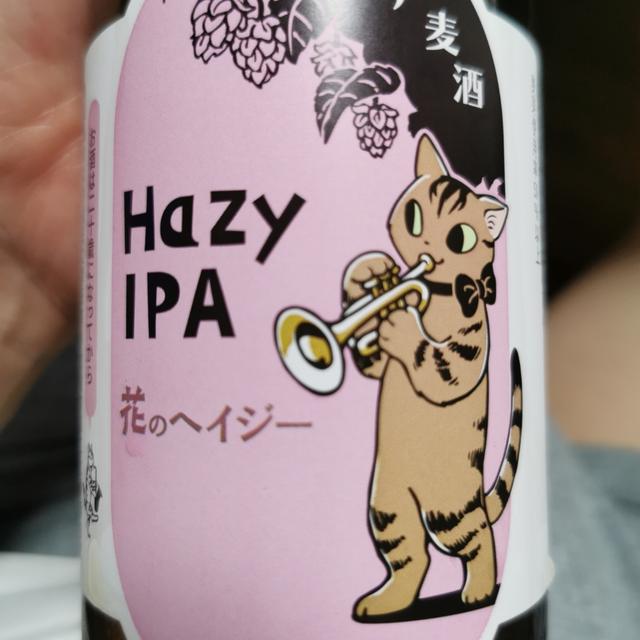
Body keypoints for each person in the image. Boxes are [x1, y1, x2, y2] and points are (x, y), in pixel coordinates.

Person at [0, 2, 638, 638]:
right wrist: (369, 310)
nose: (419, 242)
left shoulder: (467, 303)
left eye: (444, 235)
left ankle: (477, 562)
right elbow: (367, 362)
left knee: (458, 512)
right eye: (414, 219)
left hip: (444, 445)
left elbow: (456, 374)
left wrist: (410, 343)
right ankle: (406, 574)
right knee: (396, 508)